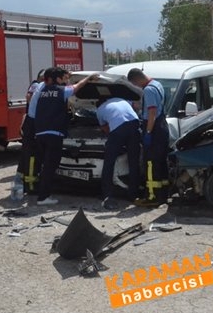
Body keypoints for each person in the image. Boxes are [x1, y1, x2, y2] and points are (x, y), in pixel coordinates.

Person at [32, 68, 97, 206]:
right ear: (58, 79)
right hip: (54, 134)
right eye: (63, 78)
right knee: (51, 166)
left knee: (45, 165)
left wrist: (68, 76)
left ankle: (43, 193)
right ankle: (43, 197)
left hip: (40, 133)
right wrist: (88, 78)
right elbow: (77, 87)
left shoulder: (42, 91)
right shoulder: (61, 91)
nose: (66, 81)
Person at [127, 68, 170, 206]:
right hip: (162, 126)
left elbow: (152, 112)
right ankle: (163, 194)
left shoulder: (148, 90)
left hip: (154, 128)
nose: (137, 86)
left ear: (136, 79)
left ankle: (152, 196)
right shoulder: (157, 84)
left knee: (150, 164)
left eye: (135, 84)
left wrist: (148, 132)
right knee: (161, 162)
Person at [95, 95, 142, 210]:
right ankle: (133, 194)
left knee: (109, 162)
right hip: (135, 124)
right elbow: (136, 107)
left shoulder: (99, 110)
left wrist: (115, 140)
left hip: (119, 130)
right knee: (133, 161)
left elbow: (106, 129)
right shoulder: (122, 100)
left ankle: (107, 194)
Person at [17, 69, 46, 194]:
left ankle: (23, 182)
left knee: (26, 155)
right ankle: (31, 185)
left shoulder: (38, 86)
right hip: (31, 126)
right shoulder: (36, 85)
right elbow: (29, 97)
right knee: (31, 156)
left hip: (29, 124)